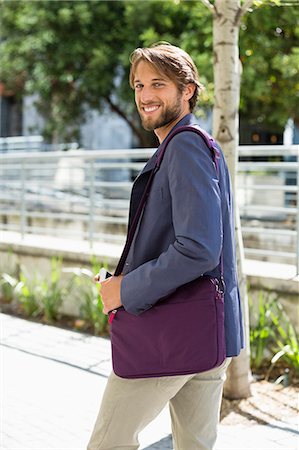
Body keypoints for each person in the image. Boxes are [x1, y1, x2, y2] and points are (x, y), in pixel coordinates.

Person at [87, 42, 244, 450]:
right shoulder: (194, 144)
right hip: (208, 331)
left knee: (108, 443)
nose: (145, 95)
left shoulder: (185, 145)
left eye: (158, 83)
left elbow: (199, 247)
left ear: (187, 89)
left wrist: (125, 289)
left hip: (172, 333)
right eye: (139, 85)